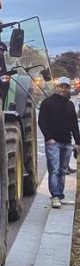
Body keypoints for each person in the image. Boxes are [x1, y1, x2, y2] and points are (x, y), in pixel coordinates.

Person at [38, 76, 80, 208]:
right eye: (61, 86)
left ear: (69, 89)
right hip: (53, 143)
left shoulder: (70, 105)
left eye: (66, 87)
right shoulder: (47, 103)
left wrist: (77, 142)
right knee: (54, 169)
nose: (63, 89)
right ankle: (55, 196)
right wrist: (49, 138)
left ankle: (60, 196)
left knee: (62, 170)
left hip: (67, 142)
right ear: (57, 87)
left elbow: (74, 124)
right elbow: (42, 122)